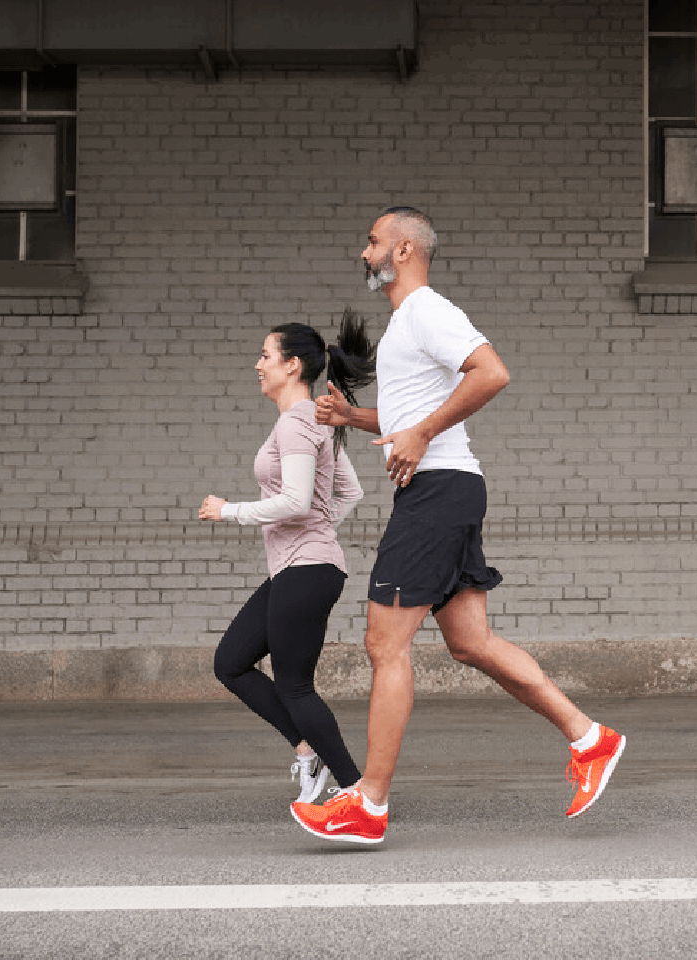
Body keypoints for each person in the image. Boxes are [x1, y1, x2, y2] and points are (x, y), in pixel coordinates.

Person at [291, 206, 625, 845]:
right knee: (471, 642)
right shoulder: (403, 327)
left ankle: (370, 803)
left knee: (385, 646)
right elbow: (412, 412)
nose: (364, 254)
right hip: (450, 488)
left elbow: (492, 372)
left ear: (405, 248)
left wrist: (419, 432)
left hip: (437, 494)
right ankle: (591, 739)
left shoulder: (428, 311)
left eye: (373, 243)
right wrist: (356, 420)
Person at [198, 313, 377, 809]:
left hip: (306, 569)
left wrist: (228, 511)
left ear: (292, 365)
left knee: (296, 687)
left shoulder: (298, 424)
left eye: (265, 356)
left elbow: (297, 503)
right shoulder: (313, 420)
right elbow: (350, 491)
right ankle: (309, 750)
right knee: (232, 662)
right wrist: (319, 529)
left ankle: (356, 791)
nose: (258, 365)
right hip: (300, 568)